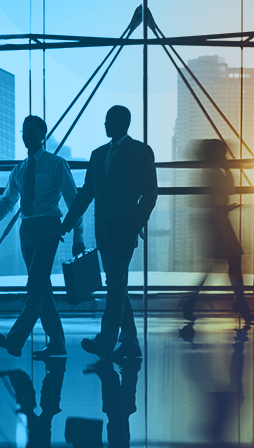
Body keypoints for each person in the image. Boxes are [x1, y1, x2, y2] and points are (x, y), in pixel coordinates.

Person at [59, 105, 158, 361]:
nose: (104, 124)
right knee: (116, 284)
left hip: (125, 230)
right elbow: (85, 194)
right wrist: (67, 224)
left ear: (122, 123)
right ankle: (130, 342)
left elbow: (150, 193)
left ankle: (106, 341)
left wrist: (136, 224)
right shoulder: (98, 154)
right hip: (104, 232)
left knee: (115, 285)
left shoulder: (139, 151)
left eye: (108, 120)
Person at [0, 115, 83, 358]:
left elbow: (73, 200)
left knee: (35, 283)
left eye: (31, 131)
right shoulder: (19, 170)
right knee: (43, 287)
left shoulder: (56, 164)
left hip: (49, 228)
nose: (26, 135)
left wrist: (78, 235)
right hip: (26, 231)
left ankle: (15, 339)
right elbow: (7, 201)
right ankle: (57, 343)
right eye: (24, 131)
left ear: (42, 134)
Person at [179, 139, 254, 324]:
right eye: (223, 153)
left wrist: (226, 170)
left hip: (218, 219)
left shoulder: (211, 171)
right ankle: (239, 303)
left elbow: (225, 192)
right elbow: (227, 191)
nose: (226, 156)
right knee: (232, 262)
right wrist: (227, 169)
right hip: (217, 221)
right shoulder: (211, 172)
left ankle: (191, 301)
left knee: (226, 263)